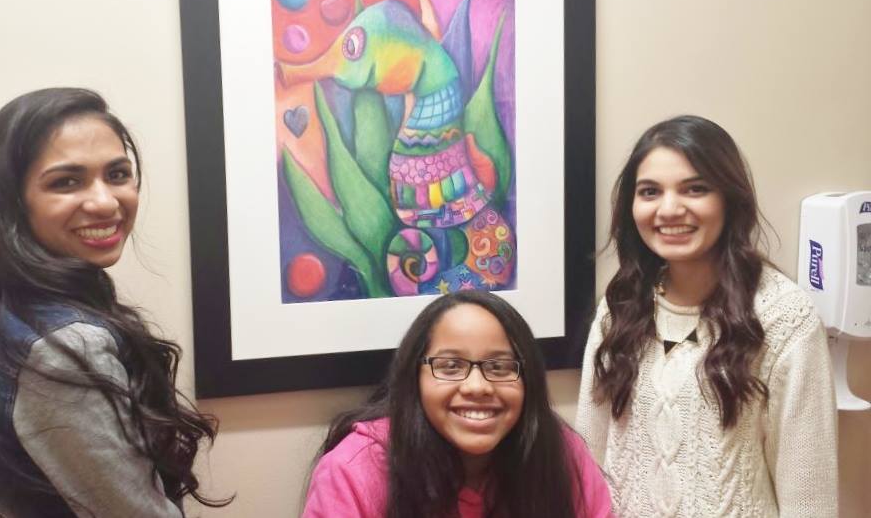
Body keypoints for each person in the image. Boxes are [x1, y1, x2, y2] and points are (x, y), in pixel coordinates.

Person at [0, 88, 230, 517]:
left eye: (117, 174)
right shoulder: (68, 348)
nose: (105, 202)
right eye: (66, 181)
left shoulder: (4, 300)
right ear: (13, 201)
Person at [576, 115, 838, 517]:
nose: (669, 209)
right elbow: (588, 466)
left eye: (695, 189)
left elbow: (810, 495)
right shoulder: (621, 308)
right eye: (649, 191)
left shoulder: (783, 317)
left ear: (729, 199)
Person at [303, 290, 614, 518]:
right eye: (450, 366)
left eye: (499, 367)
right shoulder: (355, 470)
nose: (477, 387)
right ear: (415, 377)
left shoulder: (561, 454)